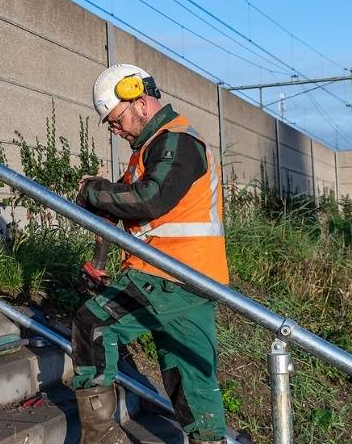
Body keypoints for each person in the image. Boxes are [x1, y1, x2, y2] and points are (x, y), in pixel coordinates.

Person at [71, 64, 229, 444]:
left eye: (116, 119)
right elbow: (118, 211)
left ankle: (102, 439)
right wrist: (99, 261)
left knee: (93, 325)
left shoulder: (177, 142)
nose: (115, 129)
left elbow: (150, 200)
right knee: (190, 377)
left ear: (140, 102)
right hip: (193, 280)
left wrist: (93, 191)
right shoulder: (151, 151)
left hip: (167, 274)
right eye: (110, 124)